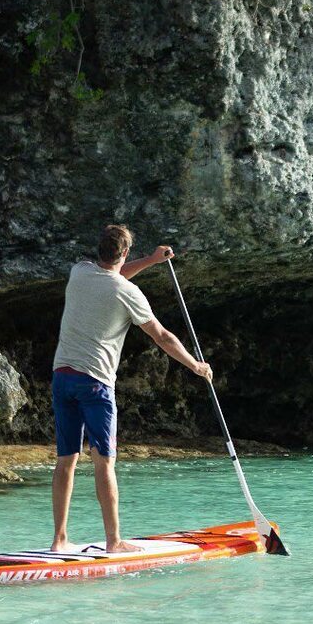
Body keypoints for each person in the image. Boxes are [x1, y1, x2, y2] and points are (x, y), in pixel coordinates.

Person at [49, 223, 212, 553]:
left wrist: (151, 260)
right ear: (123, 253)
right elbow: (162, 336)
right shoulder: (129, 294)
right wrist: (196, 366)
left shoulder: (78, 272)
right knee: (103, 463)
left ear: (100, 250)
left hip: (61, 378)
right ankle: (114, 542)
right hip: (95, 383)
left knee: (66, 460)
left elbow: (115, 276)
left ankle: (59, 539)